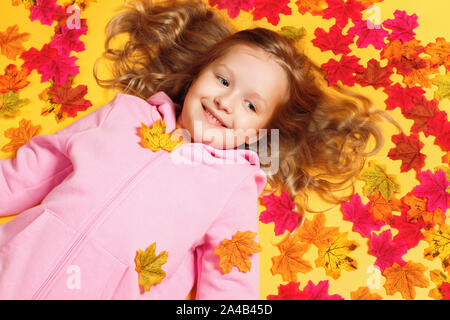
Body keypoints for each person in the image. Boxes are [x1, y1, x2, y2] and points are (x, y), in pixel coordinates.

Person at [0, 0, 401, 299]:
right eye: (223, 80)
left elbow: (230, 276)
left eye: (251, 105)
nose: (226, 102)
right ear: (198, 74)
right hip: (17, 262)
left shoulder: (233, 184)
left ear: (261, 131)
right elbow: (42, 164)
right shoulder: (125, 113)